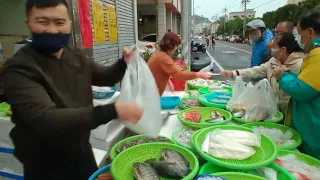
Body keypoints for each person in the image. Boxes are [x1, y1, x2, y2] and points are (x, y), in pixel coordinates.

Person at [0, 0, 143, 179]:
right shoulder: (19, 69)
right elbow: (46, 119)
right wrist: (113, 110)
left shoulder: (74, 54)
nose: (52, 30)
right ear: (28, 23)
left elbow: (106, 76)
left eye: (59, 22)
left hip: (81, 151)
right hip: (45, 163)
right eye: (43, 21)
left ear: (68, 24)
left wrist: (123, 63)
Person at [221, 32, 304, 117]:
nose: (271, 49)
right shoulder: (273, 61)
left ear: (283, 50)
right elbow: (256, 71)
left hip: (290, 115)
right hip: (274, 112)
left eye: (274, 47)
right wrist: (234, 73)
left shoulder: (299, 66)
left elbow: (300, 91)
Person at [273, 10, 320, 160]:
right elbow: (308, 81)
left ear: (310, 32)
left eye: (300, 34)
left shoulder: (318, 54)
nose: (299, 38)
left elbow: (303, 90)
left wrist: (282, 76)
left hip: (313, 126)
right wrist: (291, 75)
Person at [148, 32, 212, 96]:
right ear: (170, 45)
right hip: (151, 94)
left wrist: (168, 81)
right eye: (176, 46)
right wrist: (198, 74)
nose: (176, 48)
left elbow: (160, 71)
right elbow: (179, 75)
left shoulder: (159, 53)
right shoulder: (163, 58)